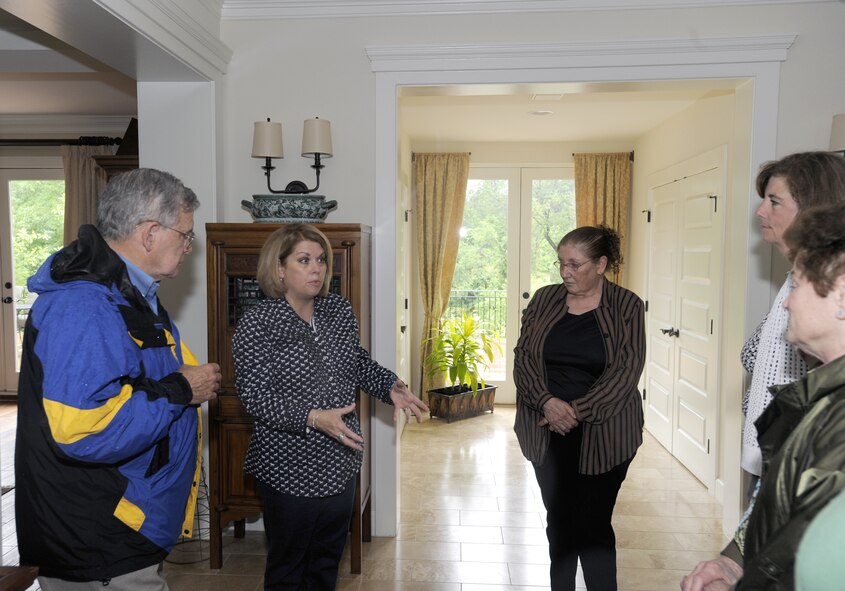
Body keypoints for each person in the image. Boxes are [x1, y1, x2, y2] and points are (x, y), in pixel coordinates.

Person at [15, 168, 222, 590]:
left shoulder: (130, 293)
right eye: (185, 235)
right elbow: (84, 428)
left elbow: (138, 379)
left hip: (125, 523)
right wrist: (184, 389)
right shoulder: (83, 306)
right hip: (99, 536)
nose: (188, 247)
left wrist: (178, 380)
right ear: (149, 234)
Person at [232, 223, 429, 590]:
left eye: (321, 260)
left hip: (340, 463)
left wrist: (390, 386)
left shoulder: (337, 310)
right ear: (279, 268)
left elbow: (357, 362)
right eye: (304, 260)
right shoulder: (257, 323)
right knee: (288, 569)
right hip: (286, 468)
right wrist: (311, 417)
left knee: (325, 566)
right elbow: (254, 395)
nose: (317, 268)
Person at [681, 202, 845, 590]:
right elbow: (784, 522)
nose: (787, 300)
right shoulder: (819, 401)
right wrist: (734, 564)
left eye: (799, 282)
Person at [513, 225, 645, 591]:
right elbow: (523, 357)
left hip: (606, 435)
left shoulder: (627, 306)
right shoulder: (543, 299)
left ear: (601, 264)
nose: (565, 272)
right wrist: (547, 403)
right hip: (545, 430)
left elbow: (626, 371)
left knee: (593, 526)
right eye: (561, 263)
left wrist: (575, 411)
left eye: (575, 264)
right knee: (559, 521)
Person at [740, 152, 845, 490]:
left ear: (812, 208)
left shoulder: (825, 295)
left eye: (774, 201)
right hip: (774, 455)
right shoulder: (790, 281)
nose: (760, 211)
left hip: (799, 466)